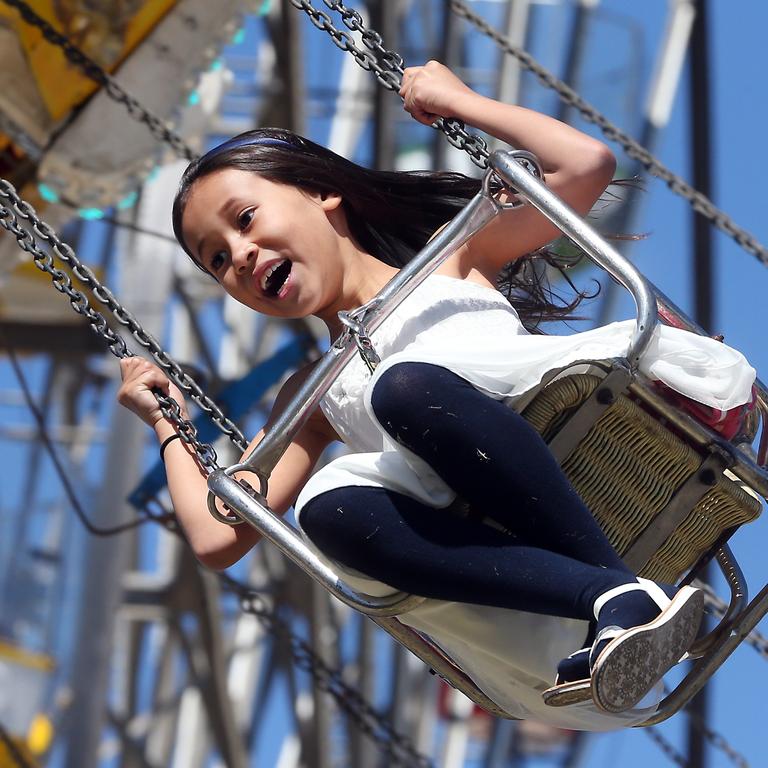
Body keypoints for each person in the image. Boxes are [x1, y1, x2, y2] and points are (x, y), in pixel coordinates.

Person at [118, 61, 755, 730]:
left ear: (320, 194)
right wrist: (167, 423)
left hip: (556, 417)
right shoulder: (307, 398)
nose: (239, 255)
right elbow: (221, 534)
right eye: (216, 258)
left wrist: (458, 102)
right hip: (474, 513)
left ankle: (617, 596)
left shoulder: (452, 256)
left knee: (406, 387)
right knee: (324, 511)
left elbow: (586, 166)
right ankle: (612, 597)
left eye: (245, 220)